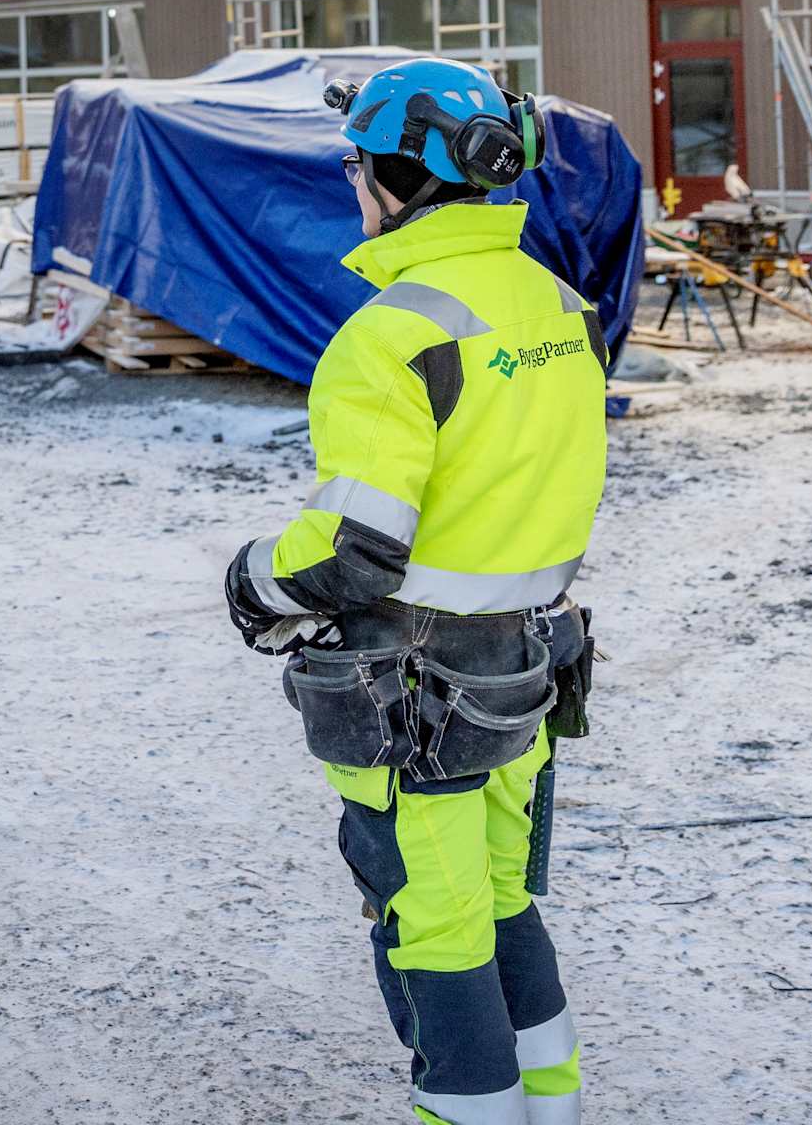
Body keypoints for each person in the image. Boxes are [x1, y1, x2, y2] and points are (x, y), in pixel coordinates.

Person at [224, 60, 610, 1125]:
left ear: (390, 177)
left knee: (432, 927)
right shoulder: (555, 304)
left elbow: (351, 553)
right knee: (501, 900)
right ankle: (551, 1106)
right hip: (523, 665)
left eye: (355, 162)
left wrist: (256, 582)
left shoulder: (390, 334)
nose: (352, 181)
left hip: (417, 694)